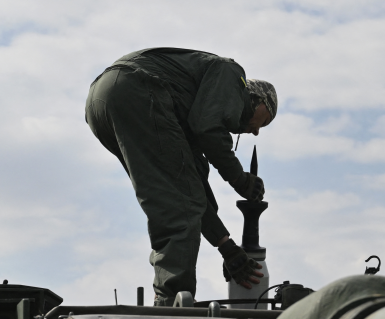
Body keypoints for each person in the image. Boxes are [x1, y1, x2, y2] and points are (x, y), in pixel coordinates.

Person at [86, 48, 277, 305]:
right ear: (257, 98)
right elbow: (209, 129)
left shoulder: (185, 123)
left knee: (178, 198)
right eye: (264, 122)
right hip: (138, 88)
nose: (256, 132)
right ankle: (171, 305)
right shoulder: (232, 75)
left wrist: (228, 248)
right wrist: (240, 179)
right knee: (179, 211)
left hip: (102, 103)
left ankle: (170, 300)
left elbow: (192, 191)